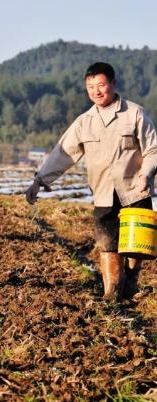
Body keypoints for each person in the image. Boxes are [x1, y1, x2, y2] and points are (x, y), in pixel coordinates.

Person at [25, 62, 157, 302]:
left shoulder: (134, 113)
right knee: (107, 242)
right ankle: (112, 292)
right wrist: (39, 180)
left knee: (135, 244)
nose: (96, 91)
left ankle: (131, 279)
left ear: (113, 84)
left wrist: (145, 174)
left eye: (101, 85)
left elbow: (153, 150)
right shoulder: (84, 122)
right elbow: (62, 154)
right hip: (104, 192)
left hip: (134, 189)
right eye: (90, 87)